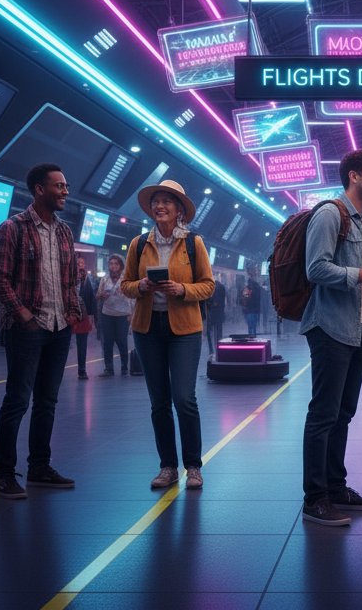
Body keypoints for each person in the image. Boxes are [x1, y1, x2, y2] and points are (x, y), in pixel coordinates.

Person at [300, 148, 362, 527]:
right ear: (354, 176)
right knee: (323, 414)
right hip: (329, 326)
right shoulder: (330, 214)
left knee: (343, 413)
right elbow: (315, 268)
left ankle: (336, 487)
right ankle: (315, 497)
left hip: (358, 329)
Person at [0, 163, 82, 499]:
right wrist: (24, 315)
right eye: (59, 186)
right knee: (17, 400)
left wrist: (72, 313)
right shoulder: (12, 228)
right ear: (39, 189)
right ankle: (3, 474)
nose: (65, 192)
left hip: (59, 328)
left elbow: (70, 280)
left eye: (66, 186)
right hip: (26, 329)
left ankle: (39, 467)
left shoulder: (65, 232)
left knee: (47, 401)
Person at [121, 180, 215, 491]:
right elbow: (125, 285)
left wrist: (182, 289)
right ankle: (167, 467)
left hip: (184, 330)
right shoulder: (138, 245)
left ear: (179, 211)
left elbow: (208, 285)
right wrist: (142, 287)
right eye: (156, 202)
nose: (160, 206)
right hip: (148, 329)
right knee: (158, 402)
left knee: (184, 398)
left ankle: (193, 466)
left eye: (167, 202)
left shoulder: (193, 244)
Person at [97, 254, 134, 376]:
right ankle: (108, 368)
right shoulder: (105, 279)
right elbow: (97, 296)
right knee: (107, 342)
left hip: (123, 314)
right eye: (111, 263)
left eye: (116, 264)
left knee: (121, 341)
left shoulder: (126, 279)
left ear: (121, 266)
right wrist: (102, 296)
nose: (113, 266)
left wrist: (131, 314)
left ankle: (124, 367)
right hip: (107, 313)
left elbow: (133, 297)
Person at [73, 255, 97, 381]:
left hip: (83, 315)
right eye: (78, 263)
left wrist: (92, 316)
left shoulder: (89, 280)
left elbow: (92, 298)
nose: (80, 265)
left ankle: (82, 370)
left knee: (82, 345)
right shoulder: (68, 277)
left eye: (82, 263)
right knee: (63, 344)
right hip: (68, 314)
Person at [207, 273, 227, 350]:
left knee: (213, 331)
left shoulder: (216, 287)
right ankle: (219, 345)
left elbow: (215, 302)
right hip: (220, 312)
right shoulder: (221, 287)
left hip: (214, 312)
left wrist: (209, 302)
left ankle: (214, 347)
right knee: (218, 330)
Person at [240, 268, 262, 337]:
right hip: (254, 309)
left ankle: (251, 336)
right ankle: (254, 336)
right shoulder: (257, 287)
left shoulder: (247, 288)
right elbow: (258, 298)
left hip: (249, 309)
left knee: (250, 325)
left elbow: (244, 298)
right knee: (254, 325)